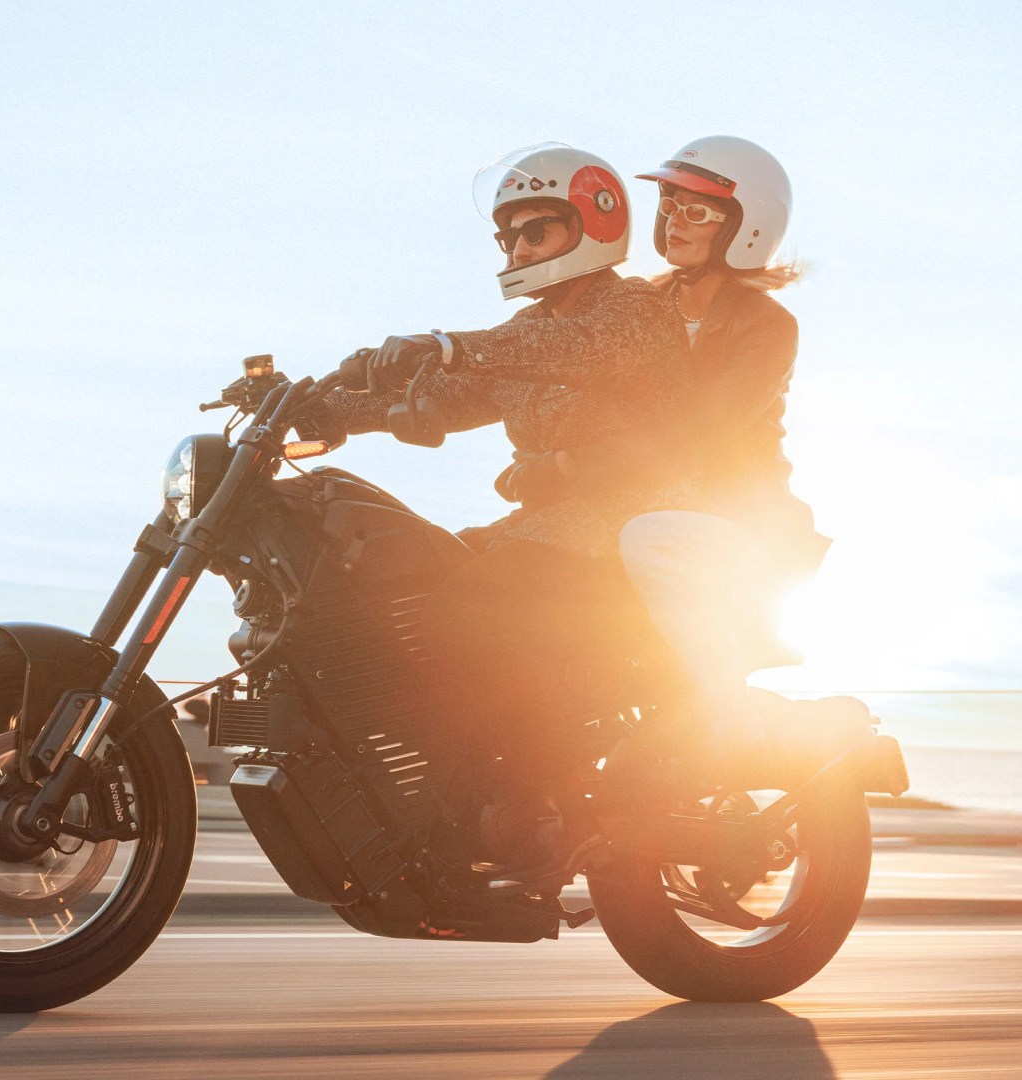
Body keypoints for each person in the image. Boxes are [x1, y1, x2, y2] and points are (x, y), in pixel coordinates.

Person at [318, 142, 690, 774]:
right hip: (542, 530)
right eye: (508, 239)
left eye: (534, 232)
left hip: (621, 529)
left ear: (591, 222)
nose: (517, 251)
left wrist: (446, 345)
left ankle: (532, 778)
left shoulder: (633, 311)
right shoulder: (524, 336)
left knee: (461, 613)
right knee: (406, 580)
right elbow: (443, 397)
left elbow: (574, 348)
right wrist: (324, 408)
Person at [499, 135, 831, 751]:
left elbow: (698, 431)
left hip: (735, 526)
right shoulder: (639, 306)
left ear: (745, 227)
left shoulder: (766, 326)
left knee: (648, 538)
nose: (676, 221)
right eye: (670, 205)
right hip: (638, 502)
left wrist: (566, 465)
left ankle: (731, 724)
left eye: (697, 210)